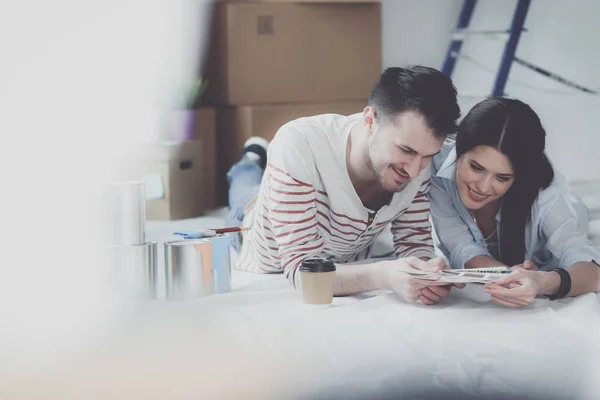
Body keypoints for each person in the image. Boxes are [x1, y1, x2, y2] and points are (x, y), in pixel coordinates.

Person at [225, 65, 464, 305]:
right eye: (406, 150)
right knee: (245, 187)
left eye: (427, 156)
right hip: (255, 229)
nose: (414, 171)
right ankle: (251, 158)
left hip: (342, 250)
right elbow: (306, 272)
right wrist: (384, 275)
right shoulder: (298, 145)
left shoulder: (419, 161)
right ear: (370, 120)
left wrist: (426, 272)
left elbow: (415, 243)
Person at [429, 97, 600, 308]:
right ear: (460, 151)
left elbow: (593, 272)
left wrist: (543, 282)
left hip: (571, 210)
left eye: (502, 178)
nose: (483, 187)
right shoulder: (438, 167)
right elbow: (460, 247)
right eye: (476, 167)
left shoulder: (543, 190)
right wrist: (511, 276)